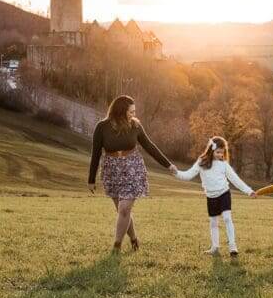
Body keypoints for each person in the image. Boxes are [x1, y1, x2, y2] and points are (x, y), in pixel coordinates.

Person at [88, 95, 177, 253]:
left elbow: (150, 146)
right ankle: (134, 239)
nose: (133, 115)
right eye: (131, 111)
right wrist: (91, 179)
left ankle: (116, 246)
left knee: (124, 209)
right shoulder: (102, 127)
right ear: (121, 111)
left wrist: (168, 164)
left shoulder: (135, 126)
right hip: (111, 170)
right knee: (122, 211)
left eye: (134, 111)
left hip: (133, 168)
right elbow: (95, 153)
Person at [174, 136, 254, 256]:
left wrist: (249, 191)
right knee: (213, 223)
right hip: (211, 197)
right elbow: (188, 175)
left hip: (224, 194)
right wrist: (176, 172)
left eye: (222, 153)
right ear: (211, 150)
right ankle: (215, 247)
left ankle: (233, 247)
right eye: (218, 152)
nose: (220, 155)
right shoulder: (201, 162)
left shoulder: (224, 165)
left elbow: (235, 180)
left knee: (227, 218)